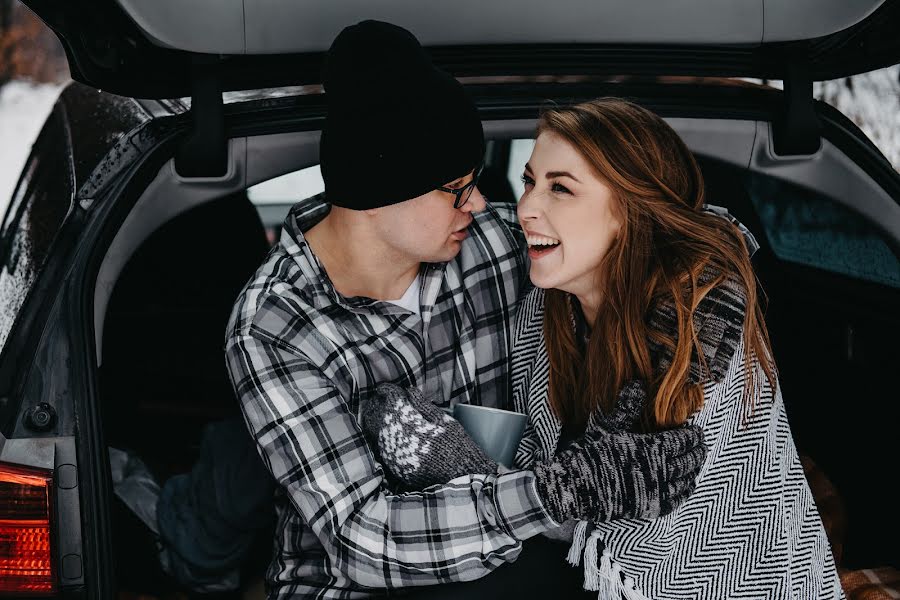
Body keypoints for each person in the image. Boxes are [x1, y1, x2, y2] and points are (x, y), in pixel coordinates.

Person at [223, 20, 708, 600]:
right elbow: (365, 537)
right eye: (456, 186)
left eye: (475, 179)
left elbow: (665, 232)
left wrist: (704, 306)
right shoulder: (275, 326)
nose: (479, 201)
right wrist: (555, 493)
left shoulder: (497, 244)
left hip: (516, 563)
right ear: (378, 195)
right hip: (357, 585)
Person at [365, 98, 845, 598]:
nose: (526, 207)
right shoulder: (551, 307)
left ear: (629, 210)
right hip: (583, 559)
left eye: (560, 189)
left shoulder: (699, 333)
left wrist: (470, 471)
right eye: (530, 181)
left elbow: (635, 519)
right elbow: (555, 464)